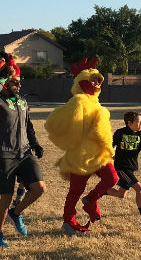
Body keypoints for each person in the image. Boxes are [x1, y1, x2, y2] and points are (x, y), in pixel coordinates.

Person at [45, 57, 118, 235]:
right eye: (92, 79)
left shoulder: (94, 102)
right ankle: (68, 221)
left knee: (112, 178)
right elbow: (55, 121)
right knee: (75, 191)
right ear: (83, 81)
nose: (96, 83)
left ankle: (91, 200)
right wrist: (75, 133)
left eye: (98, 80)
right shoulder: (78, 101)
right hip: (80, 157)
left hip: (99, 154)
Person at [0, 52, 46, 248]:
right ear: (5, 84)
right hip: (4, 154)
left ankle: (16, 213)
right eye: (15, 83)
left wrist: (35, 143)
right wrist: (2, 77)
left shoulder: (22, 102)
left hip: (24, 152)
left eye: (20, 82)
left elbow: (28, 126)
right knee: (6, 197)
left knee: (39, 188)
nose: (19, 86)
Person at [105, 111, 141, 226]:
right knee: (139, 189)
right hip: (121, 167)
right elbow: (112, 146)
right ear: (129, 123)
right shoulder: (120, 133)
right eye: (138, 122)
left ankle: (101, 191)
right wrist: (111, 153)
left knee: (121, 194)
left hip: (131, 168)